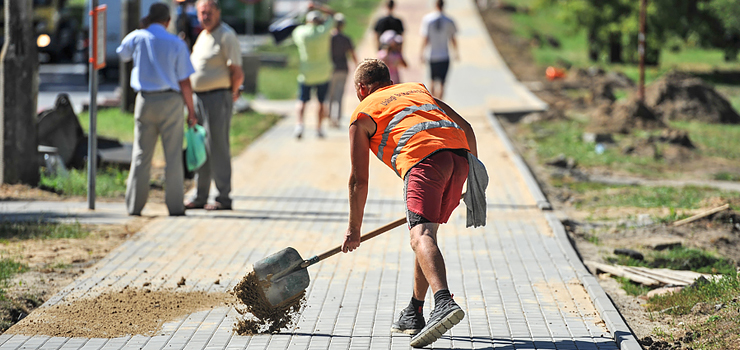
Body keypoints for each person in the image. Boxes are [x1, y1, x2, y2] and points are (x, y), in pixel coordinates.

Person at [341, 59, 486, 348]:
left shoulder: (363, 113)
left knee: (420, 236)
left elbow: (359, 181)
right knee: (426, 235)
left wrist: (353, 229)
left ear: (361, 88)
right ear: (390, 80)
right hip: (459, 159)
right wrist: (470, 181)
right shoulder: (417, 90)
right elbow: (467, 128)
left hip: (425, 162)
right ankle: (414, 311)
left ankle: (443, 301)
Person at [117, 2, 197, 217]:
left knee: (141, 155)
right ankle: (175, 207)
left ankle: (134, 206)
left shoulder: (138, 37)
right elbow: (185, 81)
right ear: (168, 20)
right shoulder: (176, 43)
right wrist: (191, 110)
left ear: (148, 19)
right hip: (171, 101)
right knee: (172, 156)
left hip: (145, 100)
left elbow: (122, 53)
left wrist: (141, 28)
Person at [185, 0, 244, 211]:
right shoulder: (203, 35)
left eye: (209, 12)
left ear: (218, 12)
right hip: (198, 98)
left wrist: (231, 93)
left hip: (218, 98)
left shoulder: (226, 35)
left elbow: (237, 72)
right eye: (202, 12)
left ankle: (223, 197)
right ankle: (200, 195)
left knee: (218, 147)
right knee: (200, 147)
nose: (205, 16)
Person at [291, 2, 335, 139]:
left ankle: (299, 125)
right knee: (321, 102)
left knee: (302, 101)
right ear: (319, 20)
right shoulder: (324, 31)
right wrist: (317, 6)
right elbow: (333, 14)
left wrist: (304, 12)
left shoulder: (301, 33)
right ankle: (319, 128)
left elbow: (295, 24)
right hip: (323, 72)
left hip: (306, 73)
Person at [420, 0, 458, 99]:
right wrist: (456, 52)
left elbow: (425, 38)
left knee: (432, 80)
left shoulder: (428, 19)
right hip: (444, 55)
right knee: (442, 83)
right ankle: (440, 105)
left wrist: (421, 53)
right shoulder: (449, 20)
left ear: (435, 5)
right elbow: (453, 38)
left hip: (432, 54)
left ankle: (432, 103)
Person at [327, 13, 357, 128]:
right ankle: (337, 118)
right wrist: (357, 66)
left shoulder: (329, 38)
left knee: (330, 94)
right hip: (343, 68)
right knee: (339, 95)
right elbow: (352, 54)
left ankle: (330, 117)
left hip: (331, 68)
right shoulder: (346, 39)